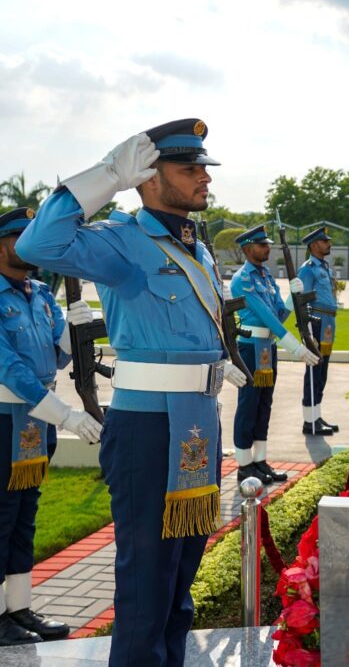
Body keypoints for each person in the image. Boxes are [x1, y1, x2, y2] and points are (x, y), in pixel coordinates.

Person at [16, 119, 248, 665]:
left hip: (197, 418)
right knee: (146, 579)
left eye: (203, 168)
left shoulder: (196, 244)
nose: (203, 178)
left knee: (180, 577)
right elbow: (37, 242)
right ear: (149, 177)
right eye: (188, 169)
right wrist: (106, 177)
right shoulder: (123, 242)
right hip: (149, 427)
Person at [0, 208, 100, 646]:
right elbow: (10, 368)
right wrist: (66, 414)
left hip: (37, 422)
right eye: (20, 236)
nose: (29, 244)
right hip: (6, 419)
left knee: (24, 517)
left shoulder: (41, 292)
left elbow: (58, 357)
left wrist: (72, 331)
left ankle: (19, 608)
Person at [229, 225, 319, 485]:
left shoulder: (266, 277)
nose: (268, 248)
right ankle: (244, 465)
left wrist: (293, 298)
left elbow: (280, 314)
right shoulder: (242, 280)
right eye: (262, 245)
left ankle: (260, 461)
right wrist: (296, 347)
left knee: (264, 405)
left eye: (267, 244)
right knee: (248, 406)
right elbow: (267, 318)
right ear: (248, 249)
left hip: (267, 348)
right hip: (249, 348)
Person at [297, 227, 340, 436]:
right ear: (314, 245)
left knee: (322, 372)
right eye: (325, 241)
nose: (328, 244)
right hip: (315, 322)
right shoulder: (308, 269)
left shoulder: (324, 267)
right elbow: (302, 301)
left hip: (328, 323)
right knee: (314, 372)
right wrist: (307, 331)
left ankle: (316, 415)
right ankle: (309, 421)